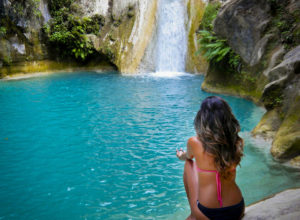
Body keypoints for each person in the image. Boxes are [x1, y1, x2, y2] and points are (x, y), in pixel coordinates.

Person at [176, 96, 245, 220]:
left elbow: (187, 156)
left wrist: (181, 155)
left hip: (207, 213)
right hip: (237, 209)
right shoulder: (236, 141)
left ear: (202, 118)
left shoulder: (194, 142)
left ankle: (193, 214)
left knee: (189, 163)